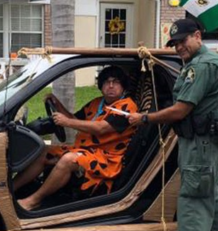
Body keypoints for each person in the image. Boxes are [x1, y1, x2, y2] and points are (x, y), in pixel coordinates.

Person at [127, 18, 218, 231]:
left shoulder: (202, 67)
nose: (178, 48)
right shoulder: (209, 63)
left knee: (193, 201)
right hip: (205, 143)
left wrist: (144, 119)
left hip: (201, 144)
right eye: (174, 44)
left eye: (182, 41)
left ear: (197, 36)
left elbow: (181, 109)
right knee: (210, 196)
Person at [14, 66, 138, 211]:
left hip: (107, 159)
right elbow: (74, 118)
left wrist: (66, 122)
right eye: (106, 82)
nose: (110, 86)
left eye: (115, 82)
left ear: (123, 85)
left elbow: (101, 128)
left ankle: (33, 201)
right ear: (101, 85)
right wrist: (57, 104)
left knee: (69, 159)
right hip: (86, 150)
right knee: (43, 151)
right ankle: (10, 190)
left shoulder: (126, 107)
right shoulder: (98, 103)